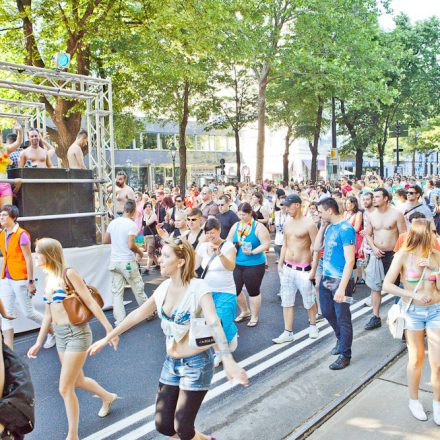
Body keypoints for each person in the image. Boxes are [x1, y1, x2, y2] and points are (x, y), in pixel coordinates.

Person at [88, 237, 248, 440]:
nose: (159, 259)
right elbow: (137, 314)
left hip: (196, 365)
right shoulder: (163, 288)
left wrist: (228, 360)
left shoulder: (198, 288)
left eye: (165, 256)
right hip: (171, 363)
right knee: (163, 425)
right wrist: (107, 337)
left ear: (180, 261)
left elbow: (214, 322)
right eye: (160, 255)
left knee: (183, 427)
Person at [27, 238, 119, 440]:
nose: (34, 256)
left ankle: (73, 436)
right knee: (78, 380)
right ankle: (107, 397)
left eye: (37, 252)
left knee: (64, 387)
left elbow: (91, 302)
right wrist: (38, 343)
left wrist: (109, 329)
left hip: (77, 333)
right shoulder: (49, 278)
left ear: (49, 254)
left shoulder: (69, 274)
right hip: (60, 335)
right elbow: (49, 316)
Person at [383, 218, 440, 425]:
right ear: (423, 235)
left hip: (436, 311)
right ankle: (414, 400)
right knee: (416, 359)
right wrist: (412, 295)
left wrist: (434, 271)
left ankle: (437, 402)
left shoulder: (436, 255)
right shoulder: (403, 256)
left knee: (438, 363)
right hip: (413, 312)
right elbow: (387, 285)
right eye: (433, 231)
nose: (436, 234)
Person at [0, 205, 56, 350]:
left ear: (13, 217)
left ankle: (54, 331)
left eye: (4, 215)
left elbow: (28, 258)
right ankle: (9, 354)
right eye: (1, 215)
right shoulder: (2, 234)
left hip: (20, 278)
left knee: (28, 313)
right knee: (6, 314)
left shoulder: (22, 234)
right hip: (6, 278)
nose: (1, 217)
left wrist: (30, 281)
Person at [314, 197, 356, 370]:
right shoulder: (329, 227)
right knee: (326, 312)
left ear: (329, 210)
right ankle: (340, 338)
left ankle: (345, 354)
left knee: (343, 317)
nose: (319, 215)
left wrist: (341, 288)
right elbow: (317, 248)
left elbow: (350, 260)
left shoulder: (346, 229)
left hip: (341, 280)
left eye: (321, 212)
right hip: (327, 277)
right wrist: (323, 227)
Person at [273, 195, 318, 343]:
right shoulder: (287, 223)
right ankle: (288, 331)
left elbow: (316, 247)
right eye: (285, 206)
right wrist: (280, 263)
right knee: (286, 300)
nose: (286, 208)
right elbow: (285, 244)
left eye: (288, 206)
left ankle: (313, 325)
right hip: (287, 267)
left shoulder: (309, 224)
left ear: (297, 205)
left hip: (303, 268)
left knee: (309, 300)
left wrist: (313, 269)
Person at [196, 218, 238, 366]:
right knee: (210, 324)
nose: (210, 236)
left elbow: (231, 266)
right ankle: (219, 352)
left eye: (212, 233)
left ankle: (231, 333)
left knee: (223, 321)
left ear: (219, 230)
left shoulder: (228, 247)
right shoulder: (202, 247)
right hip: (207, 292)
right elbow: (194, 267)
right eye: (207, 233)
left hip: (226, 291)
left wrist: (220, 254)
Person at [364, 188, 406, 330]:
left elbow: (404, 236)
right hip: (377, 255)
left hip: (394, 255)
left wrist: (399, 255)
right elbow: (368, 234)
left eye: (377, 197)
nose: (374, 199)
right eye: (373, 196)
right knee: (375, 287)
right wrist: (374, 249)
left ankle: (401, 317)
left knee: (399, 286)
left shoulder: (396, 214)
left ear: (386, 198)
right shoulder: (371, 215)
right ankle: (375, 316)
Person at [104, 200, 150, 325]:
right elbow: (131, 245)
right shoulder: (131, 225)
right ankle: (149, 313)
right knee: (137, 288)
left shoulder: (113, 222)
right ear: (134, 211)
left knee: (117, 293)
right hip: (127, 261)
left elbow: (105, 240)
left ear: (124, 209)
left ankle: (120, 320)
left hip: (114, 261)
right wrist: (140, 253)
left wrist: (117, 242)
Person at [228, 202, 271, 327]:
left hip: (255, 264)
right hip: (237, 263)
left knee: (253, 291)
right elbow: (229, 240)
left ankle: (254, 316)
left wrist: (252, 252)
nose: (242, 217)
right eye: (239, 214)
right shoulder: (237, 225)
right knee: (235, 290)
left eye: (244, 215)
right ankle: (245, 311)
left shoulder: (258, 227)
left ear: (250, 213)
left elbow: (266, 244)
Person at [1, 120, 22, 207]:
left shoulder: (5, 149)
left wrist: (20, 131)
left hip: (5, 185)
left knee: (6, 214)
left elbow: (18, 143)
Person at [142, 202, 158, 273]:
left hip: (152, 236)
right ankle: (158, 265)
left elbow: (147, 223)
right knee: (152, 253)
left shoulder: (153, 215)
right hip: (146, 237)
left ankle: (147, 269)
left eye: (149, 206)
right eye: (146, 207)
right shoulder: (144, 216)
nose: (148, 208)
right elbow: (142, 226)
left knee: (150, 252)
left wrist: (145, 214)